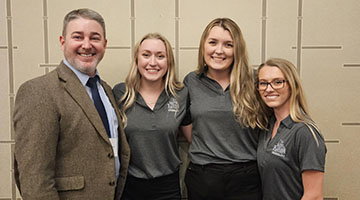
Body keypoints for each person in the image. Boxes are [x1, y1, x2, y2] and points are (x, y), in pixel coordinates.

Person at [13, 8, 130, 200]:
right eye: (78, 37)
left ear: (104, 44)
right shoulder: (39, 91)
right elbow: (35, 179)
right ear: (62, 42)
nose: (87, 45)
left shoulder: (106, 90)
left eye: (95, 38)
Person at [183, 18, 264, 200]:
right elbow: (186, 123)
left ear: (237, 50)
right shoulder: (192, 81)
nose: (219, 51)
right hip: (203, 176)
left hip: (247, 177)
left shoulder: (255, 80)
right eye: (213, 42)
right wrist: (210, 145)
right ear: (203, 46)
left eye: (228, 44)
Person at [113, 33, 191, 200]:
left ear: (168, 61)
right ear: (137, 59)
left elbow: (194, 139)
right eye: (146, 55)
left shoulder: (181, 94)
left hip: (167, 186)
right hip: (130, 185)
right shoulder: (120, 94)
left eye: (160, 56)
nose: (153, 62)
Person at [255, 58, 327, 199]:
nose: (269, 89)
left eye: (277, 82)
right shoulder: (267, 127)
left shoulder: (305, 132)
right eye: (263, 83)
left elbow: (314, 196)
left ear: (292, 85)